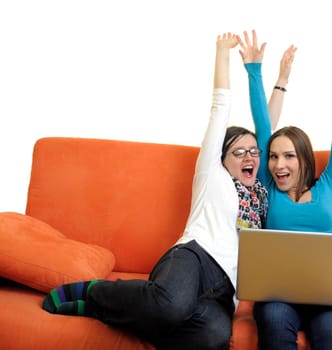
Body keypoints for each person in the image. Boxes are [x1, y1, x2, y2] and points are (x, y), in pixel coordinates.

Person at [41, 32, 269, 350]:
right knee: (171, 305)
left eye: (253, 151)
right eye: (239, 151)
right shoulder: (212, 175)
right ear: (221, 158)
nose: (249, 157)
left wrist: (276, 77)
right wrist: (222, 54)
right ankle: (96, 292)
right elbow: (220, 108)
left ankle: (100, 312)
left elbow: (268, 130)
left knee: (213, 338)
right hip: (195, 258)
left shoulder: (260, 192)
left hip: (225, 290)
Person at [239, 29, 332, 349]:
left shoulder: (331, 184)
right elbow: (262, 126)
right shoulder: (268, 185)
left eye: (289, 156)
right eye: (274, 156)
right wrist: (255, 72)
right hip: (280, 296)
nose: (278, 164)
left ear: (304, 159)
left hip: (330, 298)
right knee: (271, 320)